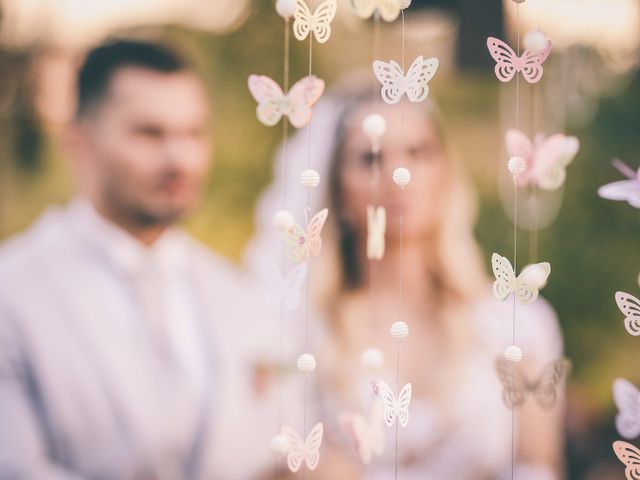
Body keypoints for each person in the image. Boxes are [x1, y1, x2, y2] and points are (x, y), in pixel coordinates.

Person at [247, 87, 567, 479]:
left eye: (419, 152)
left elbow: (541, 466)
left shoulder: (517, 324)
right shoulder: (303, 332)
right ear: (336, 190)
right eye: (372, 158)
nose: (400, 176)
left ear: (446, 171)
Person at [0, 40, 280, 480]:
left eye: (193, 134)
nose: (180, 159)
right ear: (79, 141)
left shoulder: (236, 292)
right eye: (150, 133)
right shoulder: (12, 291)